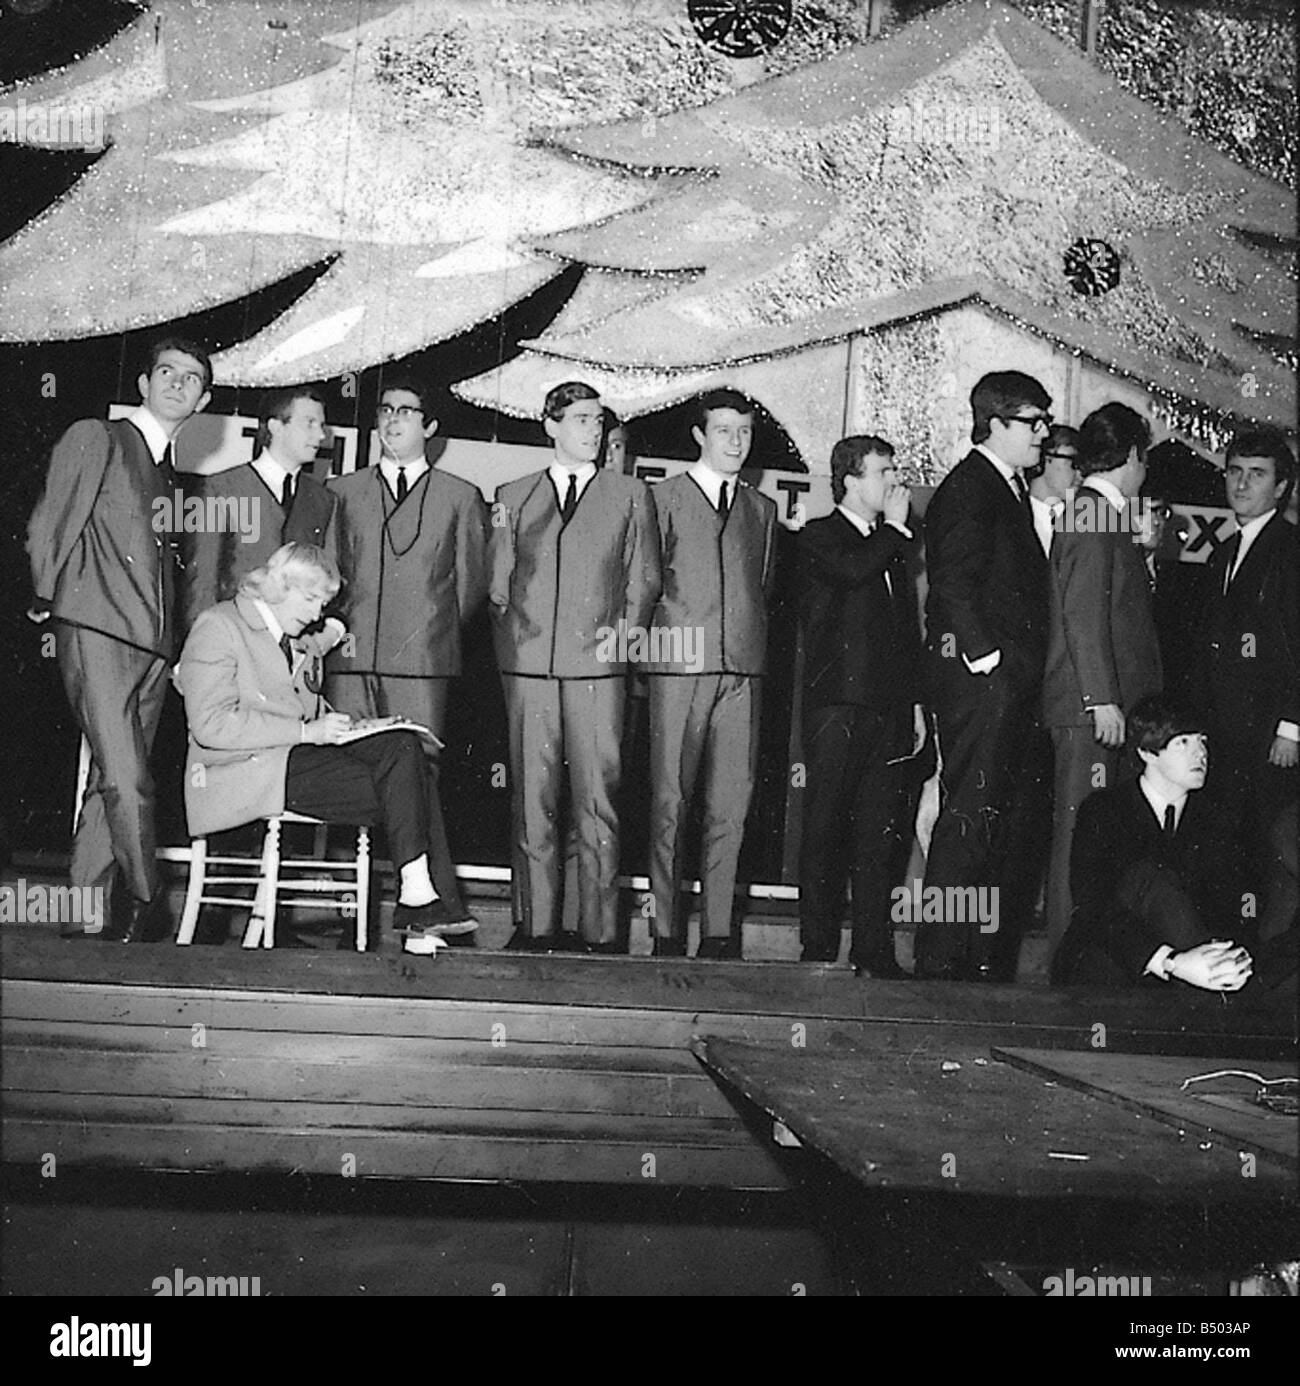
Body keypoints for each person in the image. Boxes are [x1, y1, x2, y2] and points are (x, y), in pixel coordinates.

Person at [178, 544, 469, 955]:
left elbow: (315, 660)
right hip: (241, 772)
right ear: (281, 586)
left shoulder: (292, 637)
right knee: (409, 789)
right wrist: (305, 731)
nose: (317, 613)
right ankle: (422, 907)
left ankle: (418, 897)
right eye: (311, 599)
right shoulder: (219, 625)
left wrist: (353, 729)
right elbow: (211, 725)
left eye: (323, 603)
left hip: (288, 759)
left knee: (403, 747)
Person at [27, 336, 213, 942]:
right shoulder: (98, 437)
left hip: (153, 648)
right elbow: (51, 522)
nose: (177, 384)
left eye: (191, 379)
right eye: (166, 372)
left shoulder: (173, 476)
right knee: (131, 778)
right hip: (98, 627)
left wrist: (175, 648)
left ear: (203, 399)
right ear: (143, 383)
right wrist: (45, 594)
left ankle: (81, 911)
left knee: (111, 778)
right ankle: (145, 898)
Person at [489, 381, 660, 952]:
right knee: (530, 801)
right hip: (530, 670)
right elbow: (496, 586)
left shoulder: (631, 494)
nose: (593, 429)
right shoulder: (511, 496)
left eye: (598, 419)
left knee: (598, 803)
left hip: (599, 672)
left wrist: (620, 646)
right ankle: (535, 925)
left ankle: (602, 933)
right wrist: (515, 652)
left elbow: (644, 581)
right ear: (550, 425)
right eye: (581, 419)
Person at [325, 376, 488, 928]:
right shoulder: (341, 492)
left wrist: (425, 632)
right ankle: (352, 913)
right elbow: (325, 578)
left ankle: (418, 908)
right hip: (350, 660)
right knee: (346, 778)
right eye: (385, 411)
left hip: (422, 663)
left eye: (407, 411)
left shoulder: (461, 497)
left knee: (418, 781)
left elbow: (469, 590)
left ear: (430, 426)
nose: (393, 420)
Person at [918, 371, 1053, 980]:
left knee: (989, 820)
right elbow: (950, 585)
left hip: (1002, 684)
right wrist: (987, 658)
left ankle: (968, 960)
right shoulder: (972, 486)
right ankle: (942, 963)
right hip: (983, 683)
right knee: (969, 818)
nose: (1043, 433)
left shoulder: (1006, 487)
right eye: (1033, 422)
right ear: (994, 424)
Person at [646, 388, 777, 959]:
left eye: (744, 431)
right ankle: (666, 931)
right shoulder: (662, 498)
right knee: (670, 800)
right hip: (679, 666)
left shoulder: (762, 509)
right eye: (723, 430)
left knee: (732, 805)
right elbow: (646, 583)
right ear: (699, 436)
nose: (735, 442)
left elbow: (763, 589)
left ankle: (719, 932)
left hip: (742, 670)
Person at [796, 435, 924, 977]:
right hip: (838, 708)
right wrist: (895, 531)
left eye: (895, 471)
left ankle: (873, 950)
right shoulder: (819, 535)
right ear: (849, 480)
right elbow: (852, 572)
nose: (894, 482)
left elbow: (906, 632)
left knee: (880, 835)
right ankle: (819, 947)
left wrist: (916, 705)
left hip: (888, 710)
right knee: (826, 827)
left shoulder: (894, 547)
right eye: (883, 472)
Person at [1042, 403, 1163, 960]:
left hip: (1103, 713)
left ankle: (1091, 959)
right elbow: (1083, 614)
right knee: (1079, 840)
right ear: (1134, 457)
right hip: (1093, 714)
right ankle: (1072, 963)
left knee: (1095, 838)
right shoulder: (1093, 514)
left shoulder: (1101, 515)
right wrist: (1102, 700)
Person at [1054, 696, 1251, 992]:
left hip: (1194, 972)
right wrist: (1172, 962)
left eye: (1202, 741)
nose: (1200, 753)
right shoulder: (1103, 810)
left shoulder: (1218, 818)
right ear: (1147, 752)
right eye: (1183, 742)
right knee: (1147, 877)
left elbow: (1228, 906)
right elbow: (1094, 906)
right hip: (1113, 965)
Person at [1196, 430, 1298, 902]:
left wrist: (1291, 727)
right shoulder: (1225, 552)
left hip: (1270, 731)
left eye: (1256, 475)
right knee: (1233, 846)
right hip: (1230, 729)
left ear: (1281, 488)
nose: (1241, 484)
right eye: (1234, 472)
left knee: (1266, 849)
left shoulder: (1289, 549)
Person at [182, 386, 337, 636]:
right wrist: (201, 644)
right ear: (276, 427)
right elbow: (201, 581)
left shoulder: (324, 500)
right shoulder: (219, 488)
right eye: (310, 423)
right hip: (233, 642)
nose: (320, 435)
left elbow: (326, 583)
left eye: (322, 425)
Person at [1026, 424, 1081, 559]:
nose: (1080, 474)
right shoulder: (1015, 513)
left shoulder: (1082, 518)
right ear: (1044, 458)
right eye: (1073, 463)